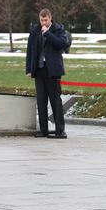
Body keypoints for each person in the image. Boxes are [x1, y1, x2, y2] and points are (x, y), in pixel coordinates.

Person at [26, 8, 70, 139]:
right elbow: (30, 50)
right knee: (41, 101)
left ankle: (60, 130)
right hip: (39, 69)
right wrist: (29, 69)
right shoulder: (35, 31)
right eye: (41, 20)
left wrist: (48, 33)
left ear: (50, 18)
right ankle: (43, 130)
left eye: (45, 20)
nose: (43, 23)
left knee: (55, 101)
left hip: (53, 70)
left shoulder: (59, 29)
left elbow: (61, 44)